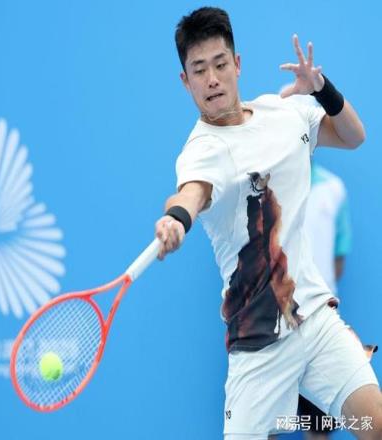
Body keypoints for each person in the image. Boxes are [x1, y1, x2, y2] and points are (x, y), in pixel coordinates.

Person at [154, 7, 382, 439]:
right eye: (199, 70)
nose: (212, 79)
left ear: (237, 64)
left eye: (220, 64)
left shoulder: (283, 113)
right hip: (258, 347)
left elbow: (354, 136)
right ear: (186, 81)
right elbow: (190, 193)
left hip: (314, 320)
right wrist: (175, 219)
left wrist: (321, 89)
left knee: (374, 424)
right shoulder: (201, 151)